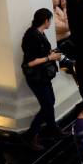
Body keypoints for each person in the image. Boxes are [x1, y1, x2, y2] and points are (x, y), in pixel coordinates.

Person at [22, 8, 62, 151]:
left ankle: (53, 129)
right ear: (46, 20)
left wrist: (51, 54)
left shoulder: (39, 33)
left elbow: (42, 52)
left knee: (50, 102)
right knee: (47, 106)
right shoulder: (32, 36)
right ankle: (30, 135)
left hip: (43, 75)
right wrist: (49, 58)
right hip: (36, 77)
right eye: (50, 20)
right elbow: (30, 62)